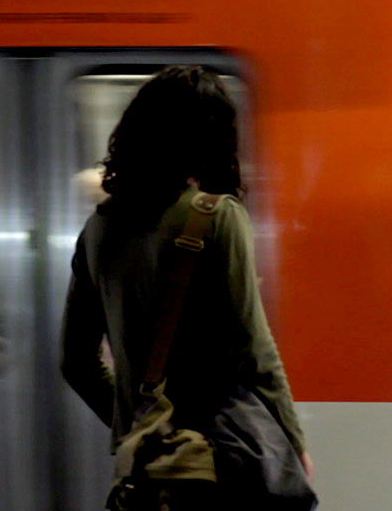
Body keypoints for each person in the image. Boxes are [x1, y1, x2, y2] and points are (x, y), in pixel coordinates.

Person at [60, 65, 313, 507]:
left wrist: (141, 426)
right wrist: (293, 443)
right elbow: (254, 350)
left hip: (147, 478)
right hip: (219, 466)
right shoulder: (217, 217)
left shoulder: (98, 228)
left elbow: (76, 362)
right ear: (212, 139)